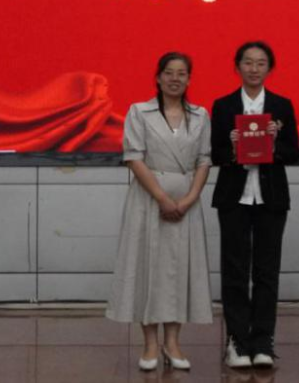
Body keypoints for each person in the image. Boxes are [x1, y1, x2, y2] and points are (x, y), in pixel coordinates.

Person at [106, 52, 213, 372]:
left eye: (182, 73)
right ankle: (150, 344)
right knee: (148, 269)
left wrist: (189, 198)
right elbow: (134, 157)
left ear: (189, 79)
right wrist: (162, 198)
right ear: (158, 77)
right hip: (149, 200)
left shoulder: (200, 115)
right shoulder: (139, 112)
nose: (175, 79)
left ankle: (173, 342)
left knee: (180, 271)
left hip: (186, 203)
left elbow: (204, 160)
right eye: (169, 73)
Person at [211, 41, 299, 369]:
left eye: (261, 63)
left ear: (269, 69)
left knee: (266, 272)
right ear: (237, 67)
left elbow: (293, 152)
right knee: (234, 271)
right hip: (234, 198)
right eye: (247, 62)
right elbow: (214, 153)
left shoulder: (281, 105)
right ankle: (237, 341)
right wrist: (233, 149)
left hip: (270, 198)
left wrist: (273, 144)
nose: (254, 68)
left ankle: (263, 341)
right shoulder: (223, 106)